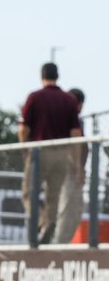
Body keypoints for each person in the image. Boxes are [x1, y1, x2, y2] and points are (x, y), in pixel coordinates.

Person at [18, 63, 81, 244]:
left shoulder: (35, 97)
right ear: (58, 75)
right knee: (53, 195)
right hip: (61, 153)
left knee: (29, 192)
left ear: (41, 76)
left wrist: (24, 149)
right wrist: (75, 162)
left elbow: (23, 129)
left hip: (39, 151)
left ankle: (41, 221)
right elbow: (75, 133)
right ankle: (50, 224)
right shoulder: (69, 100)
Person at [55, 87, 87, 244]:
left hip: (69, 170)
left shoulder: (70, 119)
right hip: (69, 171)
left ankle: (60, 245)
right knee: (67, 211)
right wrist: (78, 168)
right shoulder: (67, 119)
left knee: (72, 211)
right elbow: (71, 146)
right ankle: (57, 248)